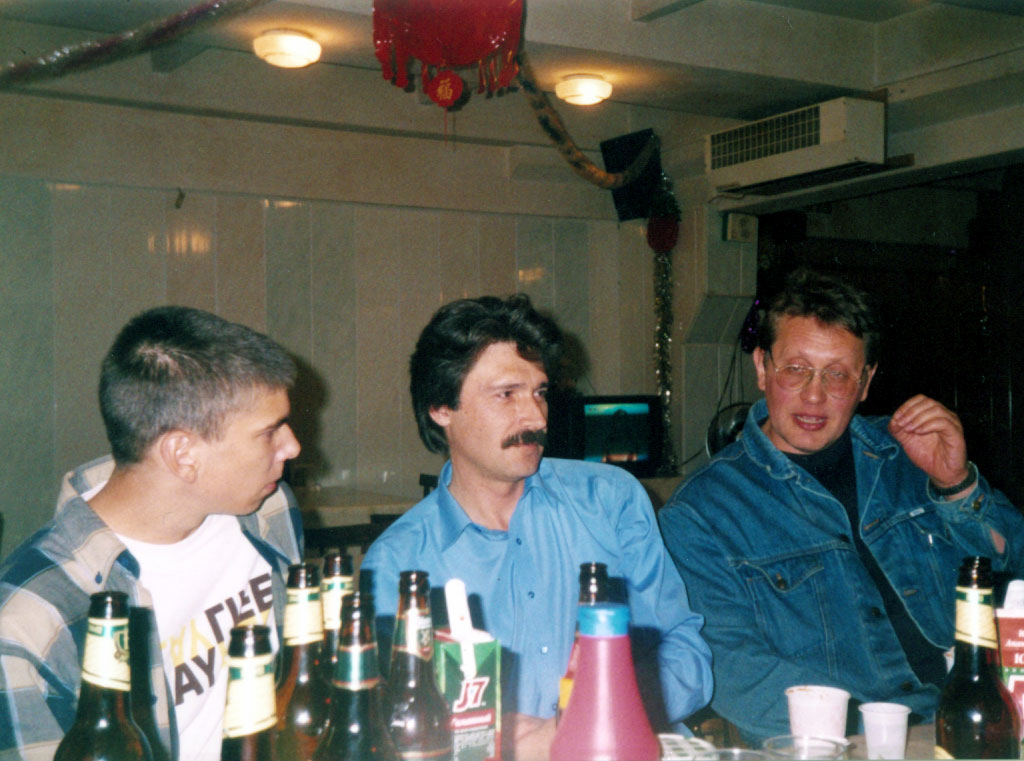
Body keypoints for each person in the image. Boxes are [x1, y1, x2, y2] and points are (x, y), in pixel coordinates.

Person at [658, 268, 1024, 744]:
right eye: (796, 369)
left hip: (981, 722)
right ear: (762, 367)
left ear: (866, 381)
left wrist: (956, 486)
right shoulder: (702, 514)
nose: (815, 395)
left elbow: (1013, 571)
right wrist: (865, 739)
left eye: (837, 374)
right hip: (845, 745)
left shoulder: (912, 455)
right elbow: (732, 671)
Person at [360, 294, 712, 760]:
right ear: (441, 407)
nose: (536, 417)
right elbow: (395, 721)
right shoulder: (398, 564)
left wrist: (588, 721)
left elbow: (685, 654)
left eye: (540, 393)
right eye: (506, 394)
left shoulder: (610, 500)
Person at [0, 306, 304, 760]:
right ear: (183, 454)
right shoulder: (30, 624)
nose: (292, 446)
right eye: (268, 432)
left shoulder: (267, 512)